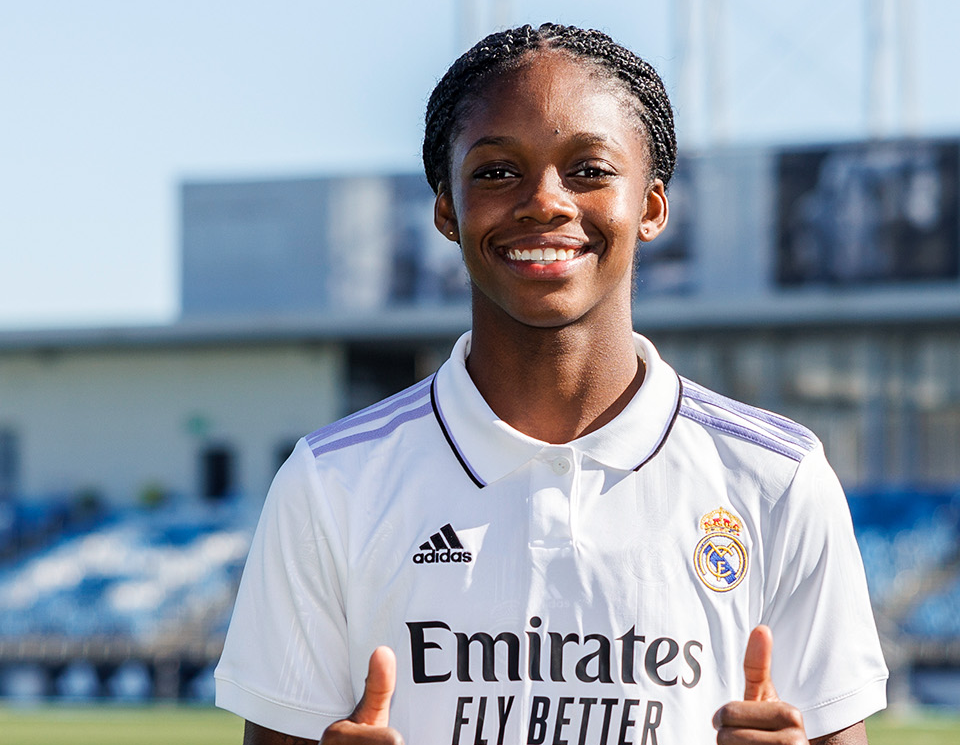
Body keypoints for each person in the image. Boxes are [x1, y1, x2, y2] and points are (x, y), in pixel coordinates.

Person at [215, 23, 888, 745]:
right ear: (447, 208)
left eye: (589, 169)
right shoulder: (333, 480)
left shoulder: (778, 478)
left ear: (653, 206)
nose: (544, 200)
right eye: (497, 171)